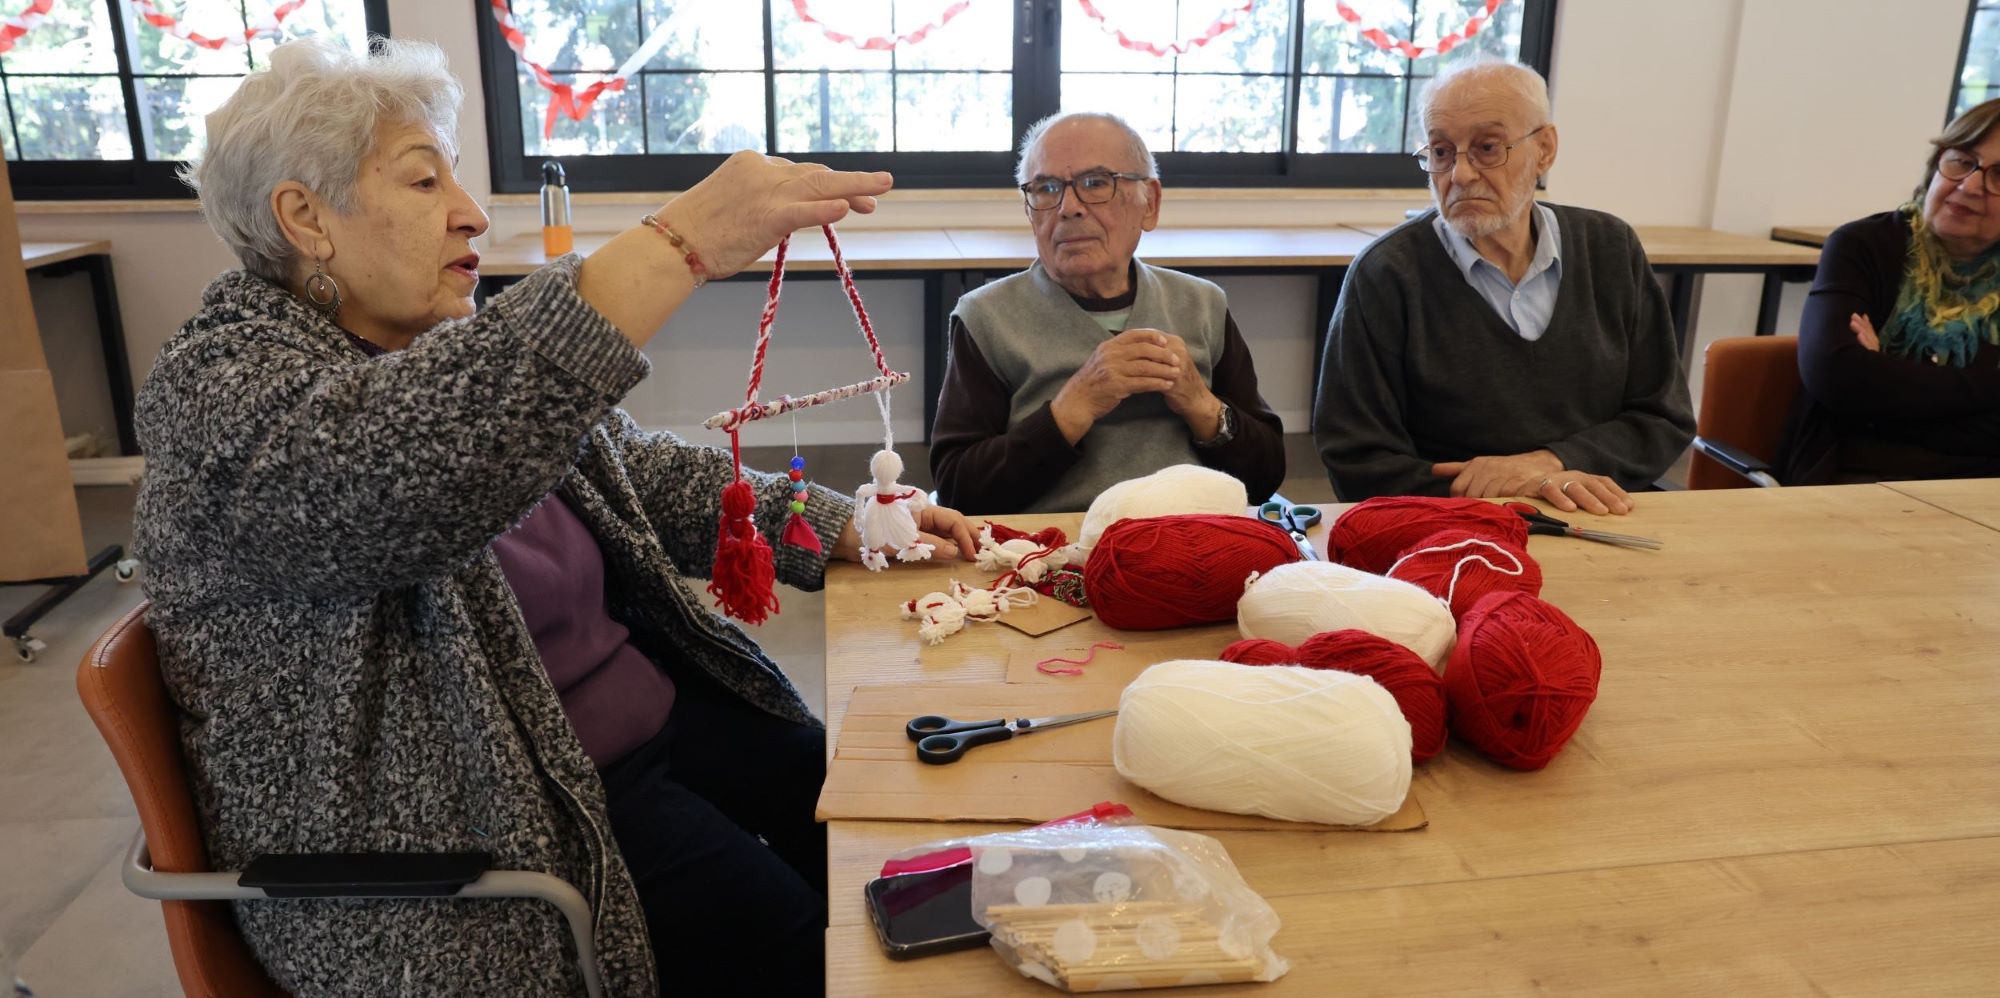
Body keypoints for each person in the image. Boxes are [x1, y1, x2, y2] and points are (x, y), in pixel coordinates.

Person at [133, 38, 974, 997]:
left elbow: (633, 472)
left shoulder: (430, 342)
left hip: (634, 729)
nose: (471, 212)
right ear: (304, 219)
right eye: (423, 181)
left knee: (881, 828)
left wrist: (835, 523)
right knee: (808, 948)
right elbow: (408, 472)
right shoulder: (224, 391)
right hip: (499, 827)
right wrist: (681, 240)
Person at [1314, 61, 1693, 515]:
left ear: (1545, 150)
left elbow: (1662, 415)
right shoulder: (1388, 274)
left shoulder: (1610, 248)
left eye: (1487, 147)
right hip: (1454, 525)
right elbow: (1356, 459)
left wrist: (1550, 464)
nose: (1460, 174)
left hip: (1597, 514)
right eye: (1440, 151)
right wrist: (1505, 496)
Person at [929, 111, 1286, 513]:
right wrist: (1070, 411)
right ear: (1030, 213)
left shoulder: (1201, 305)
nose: (1068, 208)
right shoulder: (987, 318)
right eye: (1046, 189)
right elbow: (959, 489)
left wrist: (1200, 403)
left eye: (1095, 183)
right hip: (1057, 550)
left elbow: (1266, 475)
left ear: (1149, 203)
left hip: (1193, 537)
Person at [1776, 98, 2000, 483]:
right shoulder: (1863, 245)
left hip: (1981, 492)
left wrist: (1885, 385)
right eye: (1962, 160)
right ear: (1936, 166)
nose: (1970, 185)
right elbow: (1837, 377)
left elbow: (1862, 392)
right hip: (1848, 478)